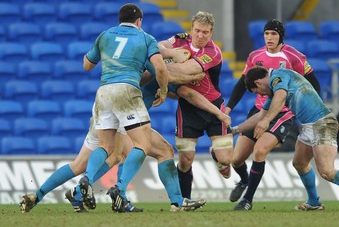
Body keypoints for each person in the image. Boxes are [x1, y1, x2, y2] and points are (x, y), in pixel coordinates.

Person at [19, 59, 230, 213]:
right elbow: (186, 91)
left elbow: (170, 87)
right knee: (127, 152)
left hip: (104, 103)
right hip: (125, 112)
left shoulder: (145, 61)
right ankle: (122, 195)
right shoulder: (164, 68)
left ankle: (42, 195)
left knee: (85, 163)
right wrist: (199, 79)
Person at [231, 66, 339, 211]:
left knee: (327, 171)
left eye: (258, 91)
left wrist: (266, 121)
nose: (262, 95)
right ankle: (314, 202)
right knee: (300, 163)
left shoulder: (278, 76)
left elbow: (281, 97)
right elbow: (260, 116)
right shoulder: (274, 92)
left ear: (258, 82)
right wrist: (235, 130)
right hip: (308, 125)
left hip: (322, 123)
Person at [76, 3, 170, 213]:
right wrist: (163, 90)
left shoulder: (105, 35)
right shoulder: (145, 37)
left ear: (120, 20)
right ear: (139, 21)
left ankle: (87, 179)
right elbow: (161, 68)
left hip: (103, 92)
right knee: (143, 144)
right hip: (127, 89)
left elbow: (86, 65)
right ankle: (119, 189)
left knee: (106, 148)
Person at [226, 19, 321, 205]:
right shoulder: (255, 56)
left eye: (273, 34)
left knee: (259, 151)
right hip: (259, 110)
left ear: (280, 36)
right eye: (266, 34)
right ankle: (245, 180)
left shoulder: (294, 56)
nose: (269, 37)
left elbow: (313, 84)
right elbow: (242, 84)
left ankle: (247, 200)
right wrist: (229, 108)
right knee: (236, 159)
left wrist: (310, 108)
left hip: (283, 112)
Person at [158, 11, 233, 199]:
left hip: (213, 105)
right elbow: (158, 46)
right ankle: (185, 200)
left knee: (226, 161)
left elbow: (187, 69)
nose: (200, 36)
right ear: (191, 29)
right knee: (185, 161)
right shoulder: (180, 39)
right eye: (197, 31)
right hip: (188, 109)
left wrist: (158, 69)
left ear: (211, 33)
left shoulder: (213, 52)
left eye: (205, 32)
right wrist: (169, 53)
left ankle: (217, 156)